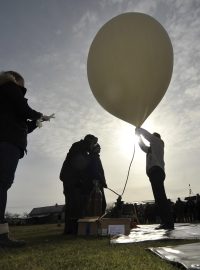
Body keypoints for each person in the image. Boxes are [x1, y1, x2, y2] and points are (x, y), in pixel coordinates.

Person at [0, 71, 54, 247]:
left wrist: (36, 124)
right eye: (23, 83)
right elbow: (24, 111)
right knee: (2, 184)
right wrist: (39, 115)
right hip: (7, 143)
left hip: (7, 140)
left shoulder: (5, 96)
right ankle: (1, 237)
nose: (24, 87)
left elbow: (20, 125)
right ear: (15, 79)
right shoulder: (10, 87)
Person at [60, 134, 107, 234]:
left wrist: (94, 155)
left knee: (78, 206)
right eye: (94, 143)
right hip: (72, 181)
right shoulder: (78, 147)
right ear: (89, 142)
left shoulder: (84, 151)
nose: (94, 146)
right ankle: (71, 230)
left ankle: (75, 230)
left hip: (75, 182)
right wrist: (93, 155)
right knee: (74, 205)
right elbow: (80, 164)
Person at [135, 127, 174, 230]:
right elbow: (142, 146)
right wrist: (138, 136)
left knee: (160, 197)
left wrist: (140, 130)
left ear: (155, 138)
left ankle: (168, 223)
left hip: (157, 171)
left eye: (152, 138)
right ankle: (166, 222)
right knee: (158, 198)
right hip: (153, 173)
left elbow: (149, 136)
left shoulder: (159, 142)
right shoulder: (150, 150)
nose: (151, 141)